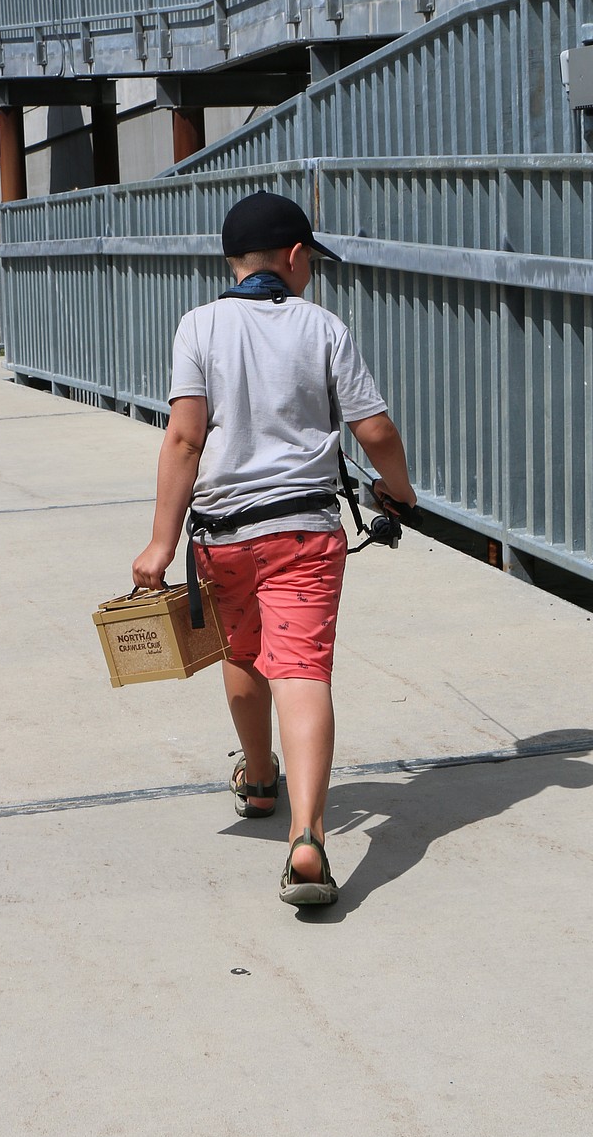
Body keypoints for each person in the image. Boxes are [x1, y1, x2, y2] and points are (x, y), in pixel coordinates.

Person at [132, 188, 416, 906]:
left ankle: (260, 781)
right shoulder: (323, 328)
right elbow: (374, 430)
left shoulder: (198, 326)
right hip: (302, 533)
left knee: (243, 653)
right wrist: (399, 491)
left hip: (223, 537)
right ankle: (309, 837)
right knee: (303, 669)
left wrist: (160, 543)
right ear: (294, 257)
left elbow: (185, 437)